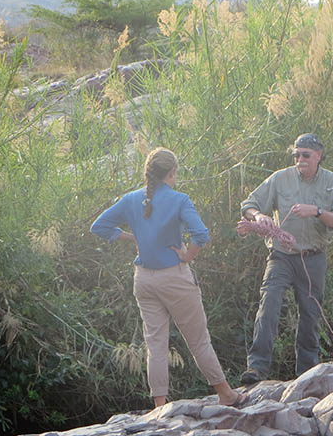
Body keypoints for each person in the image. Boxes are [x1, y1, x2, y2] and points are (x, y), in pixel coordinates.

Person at [90, 147, 247, 409]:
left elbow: (99, 227)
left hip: (144, 280)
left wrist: (133, 238)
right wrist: (187, 257)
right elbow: (201, 235)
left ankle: (160, 406)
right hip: (174, 278)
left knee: (155, 345)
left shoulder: (131, 199)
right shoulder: (180, 200)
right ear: (172, 173)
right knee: (198, 340)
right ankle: (226, 394)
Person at [239, 133, 333, 382]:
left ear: (318, 156)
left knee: (310, 314)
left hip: (313, 257)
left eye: (305, 155)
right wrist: (258, 216)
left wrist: (317, 212)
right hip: (281, 256)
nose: (300, 159)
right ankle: (257, 368)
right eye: (296, 155)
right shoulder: (280, 178)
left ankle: (307, 373)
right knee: (269, 305)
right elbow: (249, 203)